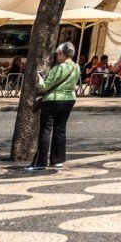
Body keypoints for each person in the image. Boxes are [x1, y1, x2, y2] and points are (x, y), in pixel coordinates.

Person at [24, 42, 80, 173]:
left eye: (57, 54)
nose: (56, 57)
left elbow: (45, 86)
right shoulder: (76, 67)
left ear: (62, 54)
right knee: (60, 129)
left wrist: (40, 78)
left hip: (53, 99)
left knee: (46, 130)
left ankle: (40, 162)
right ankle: (57, 160)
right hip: (70, 99)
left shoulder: (58, 68)